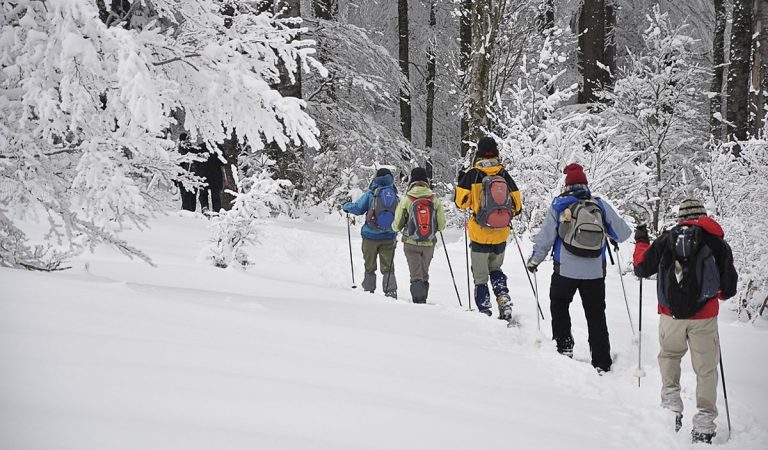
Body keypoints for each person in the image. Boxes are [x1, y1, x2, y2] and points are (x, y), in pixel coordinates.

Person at [633, 197, 737, 444]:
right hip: (705, 318)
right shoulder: (717, 242)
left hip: (671, 316)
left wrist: (640, 242)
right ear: (703, 216)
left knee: (669, 356)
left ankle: (671, 409)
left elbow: (641, 268)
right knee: (706, 369)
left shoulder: (667, 239)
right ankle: (704, 425)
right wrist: (712, 295)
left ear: (680, 217)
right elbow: (729, 288)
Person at [526, 163, 631, 374]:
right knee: (596, 314)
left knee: (560, 304)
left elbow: (546, 238)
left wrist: (535, 260)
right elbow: (623, 233)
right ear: (585, 184)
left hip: (565, 270)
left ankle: (564, 346)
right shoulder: (599, 205)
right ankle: (602, 361)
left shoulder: (559, 205)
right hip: (594, 272)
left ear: (567, 186)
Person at [454, 136, 522, 320]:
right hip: (501, 234)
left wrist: (461, 181)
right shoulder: (504, 175)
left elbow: (460, 203)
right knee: (496, 269)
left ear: (479, 154)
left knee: (480, 276)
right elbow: (518, 206)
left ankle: (484, 312)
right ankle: (503, 297)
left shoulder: (472, 175)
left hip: (479, 235)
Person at [391, 167, 446, 304]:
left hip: (410, 243)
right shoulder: (435, 200)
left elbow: (397, 225)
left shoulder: (406, 199)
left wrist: (395, 228)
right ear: (426, 181)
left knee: (416, 274)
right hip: (428, 243)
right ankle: (423, 299)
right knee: (424, 272)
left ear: (412, 181)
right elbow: (442, 225)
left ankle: (418, 302)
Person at [342, 168, 400, 298]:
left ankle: (369, 292)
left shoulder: (370, 194)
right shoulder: (394, 195)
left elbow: (357, 209)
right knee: (388, 266)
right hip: (389, 237)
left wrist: (346, 206)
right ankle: (390, 292)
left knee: (369, 265)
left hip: (370, 236)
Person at [178, 133, 224, 213]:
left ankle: (205, 208)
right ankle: (216, 210)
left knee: (203, 194)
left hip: (203, 175)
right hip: (215, 176)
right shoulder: (218, 148)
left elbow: (191, 154)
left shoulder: (201, 147)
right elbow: (224, 162)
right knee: (215, 195)